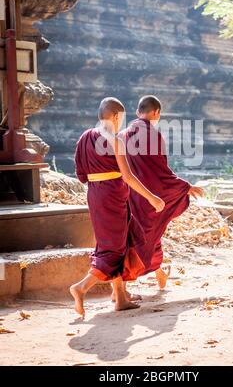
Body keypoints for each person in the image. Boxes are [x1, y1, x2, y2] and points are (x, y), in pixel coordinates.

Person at [70, 97, 165, 317]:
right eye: (121, 118)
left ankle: (120, 297)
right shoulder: (115, 141)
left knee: (119, 243)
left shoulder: (85, 137)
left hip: (95, 194)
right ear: (115, 116)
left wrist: (99, 181)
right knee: (112, 249)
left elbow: (81, 174)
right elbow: (129, 177)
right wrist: (152, 198)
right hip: (113, 195)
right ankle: (81, 287)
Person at [124, 95, 204, 290]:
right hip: (149, 197)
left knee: (142, 236)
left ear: (137, 112)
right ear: (157, 113)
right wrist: (185, 187)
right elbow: (161, 173)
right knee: (146, 237)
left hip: (130, 194)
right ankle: (123, 285)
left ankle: (158, 275)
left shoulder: (124, 134)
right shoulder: (152, 134)